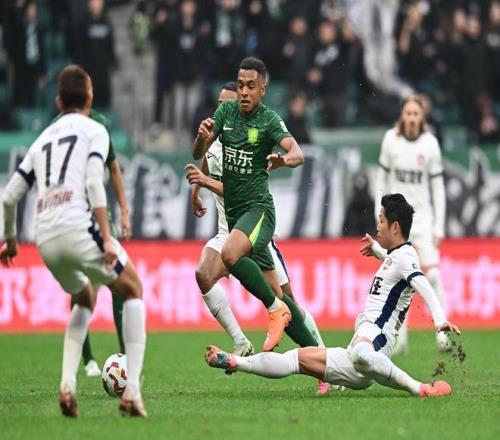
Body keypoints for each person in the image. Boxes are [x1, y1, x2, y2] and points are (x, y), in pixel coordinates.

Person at [205, 194, 461, 398]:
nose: (378, 226)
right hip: (358, 352)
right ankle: (233, 361)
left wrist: (439, 319)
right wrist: (378, 252)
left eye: (381, 220)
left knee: (361, 354)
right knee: (297, 359)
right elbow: (396, 268)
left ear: (395, 226)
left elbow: (422, 283)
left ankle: (420, 388)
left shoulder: (406, 257)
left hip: (376, 341)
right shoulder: (396, 257)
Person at [0, 65, 146, 417]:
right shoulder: (95, 129)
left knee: (84, 297)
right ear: (90, 98)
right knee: (133, 288)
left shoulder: (43, 138)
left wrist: (10, 240)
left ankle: (67, 385)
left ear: (58, 101)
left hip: (44, 237)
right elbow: (95, 181)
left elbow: (9, 196)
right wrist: (107, 238)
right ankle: (133, 393)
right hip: (78, 225)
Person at [186, 82, 330, 394]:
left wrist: (204, 183)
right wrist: (196, 192)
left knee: (287, 304)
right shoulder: (215, 138)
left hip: (254, 231)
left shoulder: (246, 142)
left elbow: (236, 189)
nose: (223, 110)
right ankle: (241, 341)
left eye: (229, 105)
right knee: (203, 273)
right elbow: (204, 158)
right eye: (219, 104)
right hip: (227, 232)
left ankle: (325, 364)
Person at [192, 57, 315, 353]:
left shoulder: (269, 120)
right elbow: (199, 154)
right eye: (241, 85)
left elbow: (298, 154)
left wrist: (283, 160)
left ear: (262, 89)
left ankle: (278, 312)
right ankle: (324, 363)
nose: (244, 92)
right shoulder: (226, 116)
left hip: (257, 214)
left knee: (236, 257)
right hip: (233, 221)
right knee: (213, 274)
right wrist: (201, 137)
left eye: (250, 86)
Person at [51, 107, 131, 377]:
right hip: (72, 215)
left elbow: (113, 168)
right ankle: (87, 359)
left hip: (100, 214)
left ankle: (126, 357)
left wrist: (124, 211)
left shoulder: (100, 123)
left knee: (119, 283)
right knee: (82, 287)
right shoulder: (57, 125)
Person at [375, 94, 449, 355]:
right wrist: (380, 216)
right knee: (396, 278)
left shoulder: (430, 144)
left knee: (434, 275)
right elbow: (381, 181)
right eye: (408, 113)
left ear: (422, 117)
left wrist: (439, 225)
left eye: (416, 113)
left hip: (423, 219)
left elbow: (438, 188)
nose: (412, 118)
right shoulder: (390, 140)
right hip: (397, 222)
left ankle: (442, 334)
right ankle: (399, 340)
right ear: (402, 115)